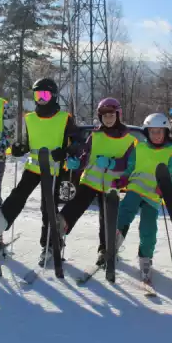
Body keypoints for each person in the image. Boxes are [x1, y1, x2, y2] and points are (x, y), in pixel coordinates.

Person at [0, 77, 82, 264]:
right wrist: (19, 148)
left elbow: (78, 142)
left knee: (48, 207)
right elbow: (26, 142)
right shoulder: (30, 118)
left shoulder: (65, 118)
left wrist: (66, 151)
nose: (41, 99)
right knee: (19, 194)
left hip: (54, 169)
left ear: (53, 96)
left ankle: (50, 244)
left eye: (45, 95)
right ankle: (1, 221)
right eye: (37, 95)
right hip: (34, 167)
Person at [55, 97, 137, 266]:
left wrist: (112, 163)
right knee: (78, 201)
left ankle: (105, 249)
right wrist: (77, 163)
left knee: (105, 218)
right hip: (91, 180)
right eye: (104, 116)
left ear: (118, 115)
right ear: (100, 117)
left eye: (111, 115)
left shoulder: (129, 140)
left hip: (111, 184)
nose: (108, 119)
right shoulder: (95, 135)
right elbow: (86, 156)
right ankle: (62, 223)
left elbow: (130, 164)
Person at [113, 113, 172, 284]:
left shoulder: (171, 152)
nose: (156, 135)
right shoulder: (139, 148)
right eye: (152, 132)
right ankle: (114, 240)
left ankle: (145, 259)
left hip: (153, 195)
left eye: (159, 132)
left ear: (166, 132)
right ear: (147, 133)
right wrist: (124, 178)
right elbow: (131, 166)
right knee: (125, 209)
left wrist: (165, 186)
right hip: (136, 187)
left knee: (148, 228)